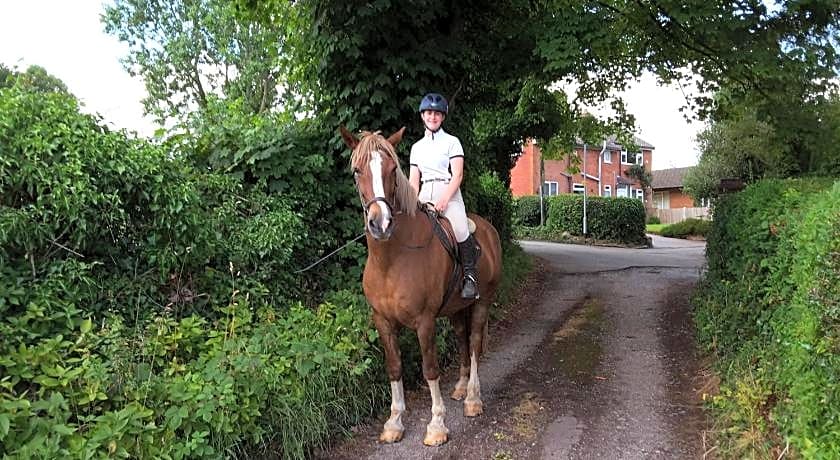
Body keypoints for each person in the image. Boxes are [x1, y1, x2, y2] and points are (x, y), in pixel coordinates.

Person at [409, 92, 480, 299]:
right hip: (424, 194)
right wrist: (412, 202)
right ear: (423, 115)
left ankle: (470, 278)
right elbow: (414, 181)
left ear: (443, 117)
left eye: (437, 114)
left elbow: (457, 175)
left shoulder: (452, 142)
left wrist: (445, 199)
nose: (433, 117)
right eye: (429, 113)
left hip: (448, 192)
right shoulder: (416, 148)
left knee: (459, 227)